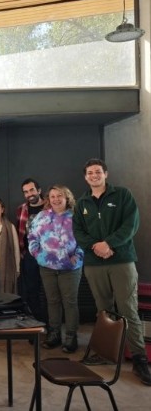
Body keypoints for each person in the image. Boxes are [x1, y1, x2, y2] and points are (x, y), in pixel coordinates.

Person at [73, 158, 151, 386]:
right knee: (104, 311)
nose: (94, 175)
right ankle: (106, 353)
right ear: (85, 177)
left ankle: (139, 359)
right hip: (94, 263)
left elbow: (131, 224)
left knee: (128, 310)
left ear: (105, 174)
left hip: (122, 260)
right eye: (90, 172)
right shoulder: (82, 203)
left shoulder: (123, 195)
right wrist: (96, 247)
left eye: (98, 171)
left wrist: (109, 244)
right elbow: (78, 231)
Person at [28, 185, 84, 353]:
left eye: (60, 196)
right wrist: (37, 254)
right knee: (52, 301)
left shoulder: (76, 217)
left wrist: (78, 257)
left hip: (70, 268)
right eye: (52, 196)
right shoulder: (41, 216)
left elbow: (85, 239)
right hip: (47, 267)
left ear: (67, 198)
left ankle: (71, 337)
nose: (56, 199)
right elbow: (32, 236)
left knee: (70, 302)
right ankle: (54, 335)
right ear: (48, 199)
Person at [16, 178, 48, 323]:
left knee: (49, 291)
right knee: (31, 290)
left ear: (39, 190)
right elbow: (20, 232)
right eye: (26, 192)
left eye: (32, 190)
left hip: (49, 255)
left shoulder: (50, 206)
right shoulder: (21, 209)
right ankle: (37, 323)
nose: (29, 194)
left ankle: (50, 324)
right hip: (29, 256)